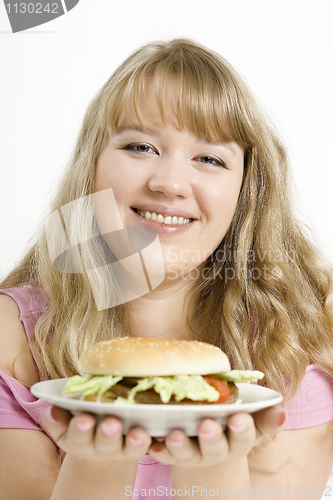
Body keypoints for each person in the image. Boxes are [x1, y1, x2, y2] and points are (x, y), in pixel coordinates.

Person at [1, 38, 333, 500]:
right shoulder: (11, 337)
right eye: (139, 146)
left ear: (246, 193)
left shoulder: (295, 346)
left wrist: (215, 468)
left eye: (210, 159)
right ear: (92, 165)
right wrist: (97, 462)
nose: (169, 183)